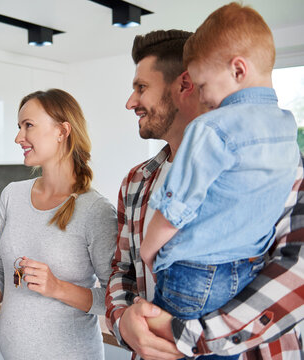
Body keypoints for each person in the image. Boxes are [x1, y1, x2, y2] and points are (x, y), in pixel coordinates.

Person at [105, 28, 304, 360]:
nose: (131, 102)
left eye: (141, 88)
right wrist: (123, 321)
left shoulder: (282, 165)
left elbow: (297, 268)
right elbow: (122, 270)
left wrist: (195, 337)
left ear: (185, 84)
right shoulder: (137, 181)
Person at [0, 89, 117, 358]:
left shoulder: (95, 211)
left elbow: (112, 300)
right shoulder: (12, 194)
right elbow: (3, 275)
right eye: (19, 126)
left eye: (29, 126)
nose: (18, 137)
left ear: (62, 131)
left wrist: (57, 287)